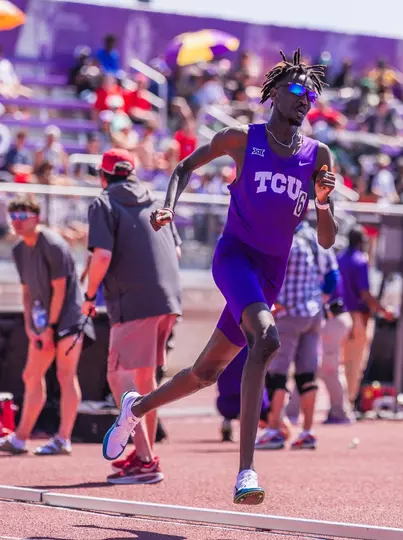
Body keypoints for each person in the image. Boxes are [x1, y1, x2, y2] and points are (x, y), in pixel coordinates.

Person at [99, 48, 338, 505]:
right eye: (295, 89)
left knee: (206, 371)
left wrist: (324, 203)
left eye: (311, 92)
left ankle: (136, 408)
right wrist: (169, 205)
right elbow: (185, 166)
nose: (305, 97)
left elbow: (327, 239)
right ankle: (246, 471)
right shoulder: (242, 139)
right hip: (235, 258)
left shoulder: (318, 154)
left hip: (271, 273)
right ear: (274, 95)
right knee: (265, 341)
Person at [82, 148, 182, 485]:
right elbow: (177, 249)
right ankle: (145, 456)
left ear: (104, 175)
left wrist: (87, 294)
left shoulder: (103, 202)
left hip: (133, 302)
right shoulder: (155, 199)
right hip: (169, 299)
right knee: (144, 380)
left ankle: (145, 460)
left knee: (117, 374)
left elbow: (102, 257)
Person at [0, 196, 95, 456]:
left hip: (68, 319)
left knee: (66, 375)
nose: (17, 223)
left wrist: (50, 328)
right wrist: (31, 325)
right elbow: (28, 292)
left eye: (23, 217)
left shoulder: (53, 244)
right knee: (31, 375)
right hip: (45, 323)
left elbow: (61, 290)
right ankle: (20, 439)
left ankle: (63, 439)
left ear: (36, 218)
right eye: (14, 217)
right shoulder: (19, 250)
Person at [256, 218, 338, 450]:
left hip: (288, 314)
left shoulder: (282, 236)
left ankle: (274, 430)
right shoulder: (314, 237)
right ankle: (308, 431)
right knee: (307, 374)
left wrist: (278, 303)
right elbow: (332, 277)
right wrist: (316, 299)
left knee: (277, 374)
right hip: (313, 315)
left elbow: (269, 275)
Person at [338, 225, 393, 409]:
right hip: (357, 317)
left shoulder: (340, 258)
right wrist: (382, 310)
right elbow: (365, 294)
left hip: (338, 314)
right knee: (354, 364)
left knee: (340, 362)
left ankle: (339, 402)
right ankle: (347, 404)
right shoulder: (360, 261)